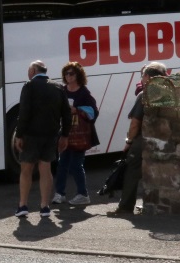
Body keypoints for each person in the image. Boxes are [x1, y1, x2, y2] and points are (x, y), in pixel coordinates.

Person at [12, 60, 72, 218]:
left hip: (31, 135)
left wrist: (19, 135)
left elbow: (24, 112)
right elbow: (66, 113)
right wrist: (65, 135)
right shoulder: (58, 87)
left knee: (26, 170)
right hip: (51, 134)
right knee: (46, 169)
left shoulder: (29, 86)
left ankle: (23, 205)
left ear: (33, 70)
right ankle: (44, 206)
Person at [110, 61, 168, 217]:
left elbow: (135, 123)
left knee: (132, 171)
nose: (141, 79)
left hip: (144, 140)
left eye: (142, 75)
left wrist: (129, 141)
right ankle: (154, 204)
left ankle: (125, 207)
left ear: (147, 77)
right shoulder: (170, 93)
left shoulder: (145, 94)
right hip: (165, 139)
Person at [53, 61, 99, 207]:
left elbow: (93, 112)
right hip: (65, 132)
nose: (68, 76)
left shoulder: (83, 92)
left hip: (79, 134)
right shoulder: (62, 90)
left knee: (76, 165)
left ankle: (83, 194)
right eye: (66, 73)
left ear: (78, 75)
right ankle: (59, 194)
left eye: (71, 73)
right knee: (62, 164)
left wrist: (77, 109)